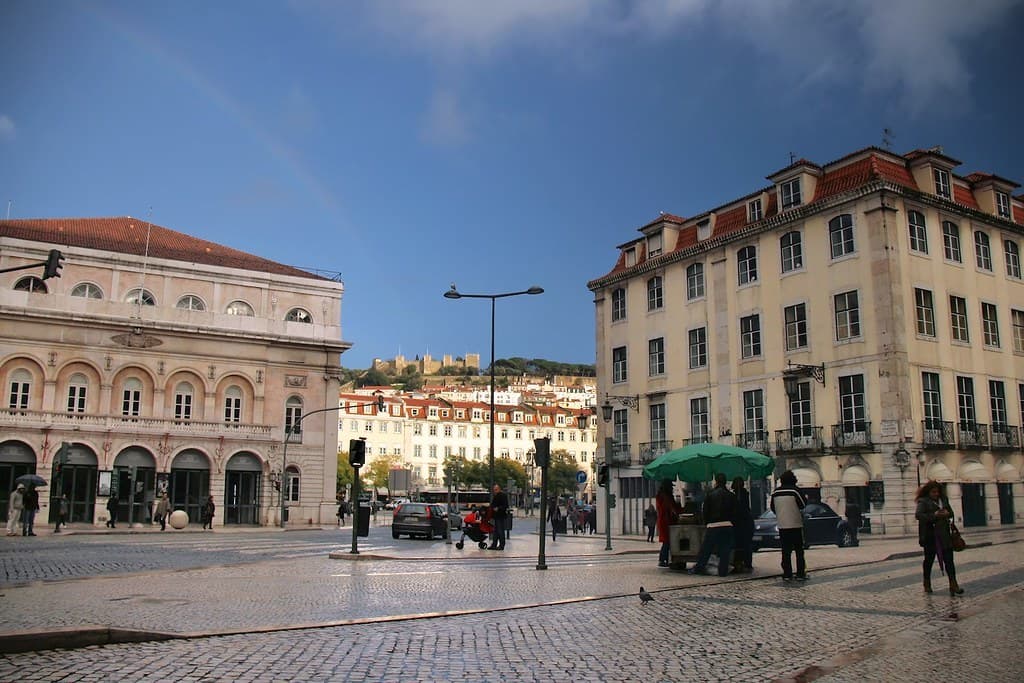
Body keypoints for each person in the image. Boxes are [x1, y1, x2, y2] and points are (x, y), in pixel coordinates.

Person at [916, 480, 964, 596]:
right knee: (929, 561)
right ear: (928, 492)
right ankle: (927, 582)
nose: (936, 494)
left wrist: (946, 513)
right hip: (930, 536)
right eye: (933, 492)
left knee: (949, 561)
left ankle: (953, 584)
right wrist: (935, 515)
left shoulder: (943, 500)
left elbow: (951, 513)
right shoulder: (923, 502)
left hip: (945, 535)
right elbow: (918, 515)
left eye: (937, 492)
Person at [690, 473, 736, 577]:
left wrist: (706, 522)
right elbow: (734, 512)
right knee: (725, 551)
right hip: (727, 525)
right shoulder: (731, 496)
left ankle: (700, 567)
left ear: (716, 482)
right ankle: (722, 571)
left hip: (713, 525)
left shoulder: (710, 495)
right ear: (725, 482)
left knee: (706, 550)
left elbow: (705, 511)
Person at [771, 470, 807, 581]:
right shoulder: (795, 491)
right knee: (799, 550)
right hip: (795, 524)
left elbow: (773, 507)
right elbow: (803, 504)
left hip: (782, 525)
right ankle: (800, 574)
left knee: (785, 551)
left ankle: (787, 573)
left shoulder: (775, 493)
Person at [655, 479, 682, 568]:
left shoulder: (661, 495)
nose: (672, 488)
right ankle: (663, 559)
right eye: (671, 486)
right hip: (666, 521)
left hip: (664, 521)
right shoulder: (665, 496)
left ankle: (665, 559)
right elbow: (670, 507)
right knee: (667, 541)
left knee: (667, 541)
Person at [731, 477, 754, 573]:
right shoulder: (744, 495)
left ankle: (740, 562)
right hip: (747, 523)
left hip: (740, 524)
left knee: (740, 545)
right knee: (747, 545)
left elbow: (738, 511)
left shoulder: (737, 496)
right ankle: (747, 563)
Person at [487, 484, 509, 550]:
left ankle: (501, 545)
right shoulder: (496, 496)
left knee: (500, 531)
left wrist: (498, 508)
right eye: (494, 490)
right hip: (496, 516)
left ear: (499, 489)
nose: (495, 491)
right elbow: (493, 504)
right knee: (495, 531)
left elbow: (505, 505)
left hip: (500, 515)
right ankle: (494, 544)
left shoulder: (503, 495)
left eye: (496, 489)